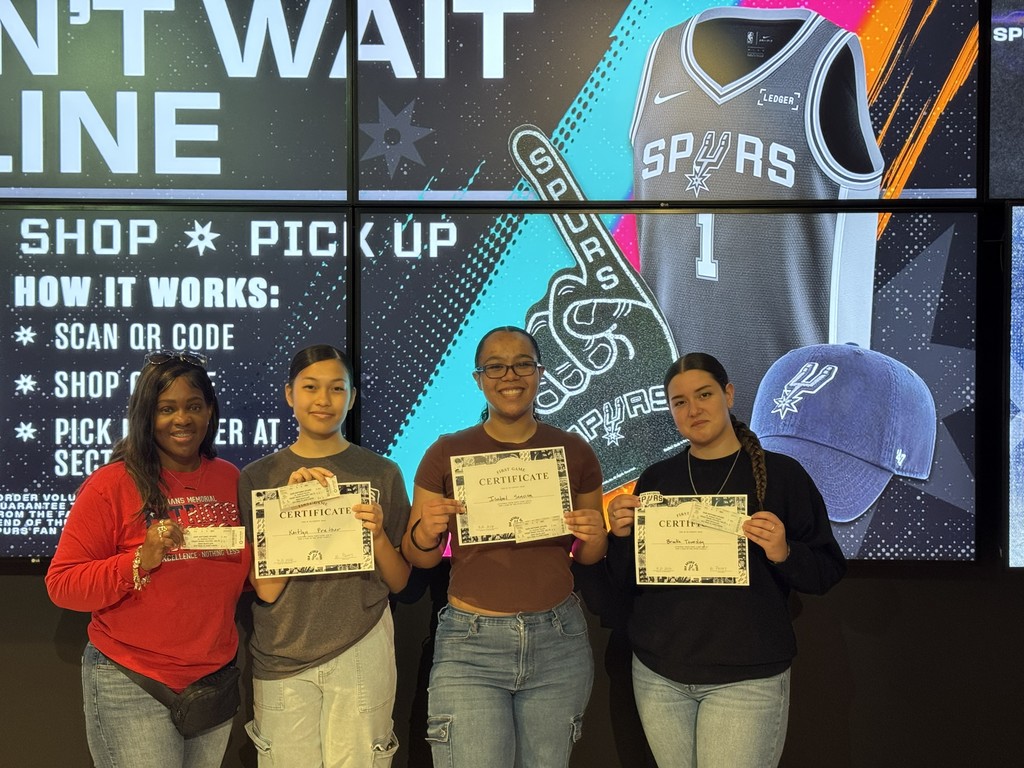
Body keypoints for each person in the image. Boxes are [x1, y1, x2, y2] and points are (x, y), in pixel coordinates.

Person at [604, 352, 846, 768]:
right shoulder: (657, 479)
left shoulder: (782, 475)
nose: (693, 409)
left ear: (728, 394)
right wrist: (621, 536)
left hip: (746, 678)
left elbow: (826, 571)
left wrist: (784, 552)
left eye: (704, 394)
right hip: (660, 674)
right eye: (679, 402)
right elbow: (627, 582)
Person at [402, 325, 607, 768]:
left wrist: (595, 536)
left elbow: (590, 555)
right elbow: (420, 555)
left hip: (558, 641)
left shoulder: (574, 451)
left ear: (539, 373)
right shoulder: (446, 452)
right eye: (494, 366)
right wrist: (426, 531)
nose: (509, 375)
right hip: (470, 644)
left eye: (523, 364)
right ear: (478, 378)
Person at [46, 350, 251, 768]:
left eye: (194, 406)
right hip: (132, 680)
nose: (182, 419)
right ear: (145, 414)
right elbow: (62, 585)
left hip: (212, 682)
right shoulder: (111, 484)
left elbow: (244, 572)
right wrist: (140, 559)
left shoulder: (232, 479)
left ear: (210, 411)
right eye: (166, 409)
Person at [238, 344, 410, 767]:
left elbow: (400, 581)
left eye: (337, 389)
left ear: (352, 398)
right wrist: (291, 507)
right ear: (289, 394)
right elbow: (266, 589)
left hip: (361, 645)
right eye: (310, 387)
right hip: (282, 653)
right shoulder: (257, 477)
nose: (323, 400)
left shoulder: (382, 472)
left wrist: (378, 536)